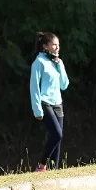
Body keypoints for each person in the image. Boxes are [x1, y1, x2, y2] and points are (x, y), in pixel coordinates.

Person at [30, 32, 69, 172]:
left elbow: (64, 85)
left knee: (57, 140)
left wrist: (60, 65)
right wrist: (37, 110)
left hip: (57, 103)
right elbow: (34, 87)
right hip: (44, 102)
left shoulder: (57, 62)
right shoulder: (39, 62)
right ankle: (41, 165)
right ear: (45, 46)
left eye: (58, 45)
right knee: (57, 134)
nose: (57, 48)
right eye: (54, 45)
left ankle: (54, 171)